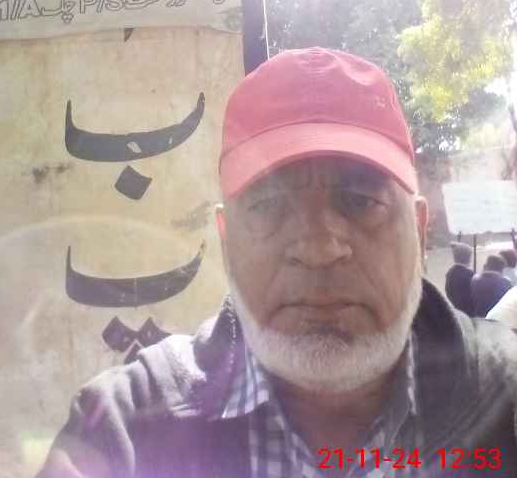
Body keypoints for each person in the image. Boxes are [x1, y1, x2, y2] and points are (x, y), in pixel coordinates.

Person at [38, 48, 517, 478]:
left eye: (359, 201)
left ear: (418, 228)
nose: (319, 250)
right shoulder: (123, 427)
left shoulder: (506, 400)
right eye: (268, 206)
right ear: (226, 240)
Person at [444, 241, 475, 316]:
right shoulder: (469, 274)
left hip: (457, 309)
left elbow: (448, 292)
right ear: (467, 258)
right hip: (469, 312)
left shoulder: (450, 273)